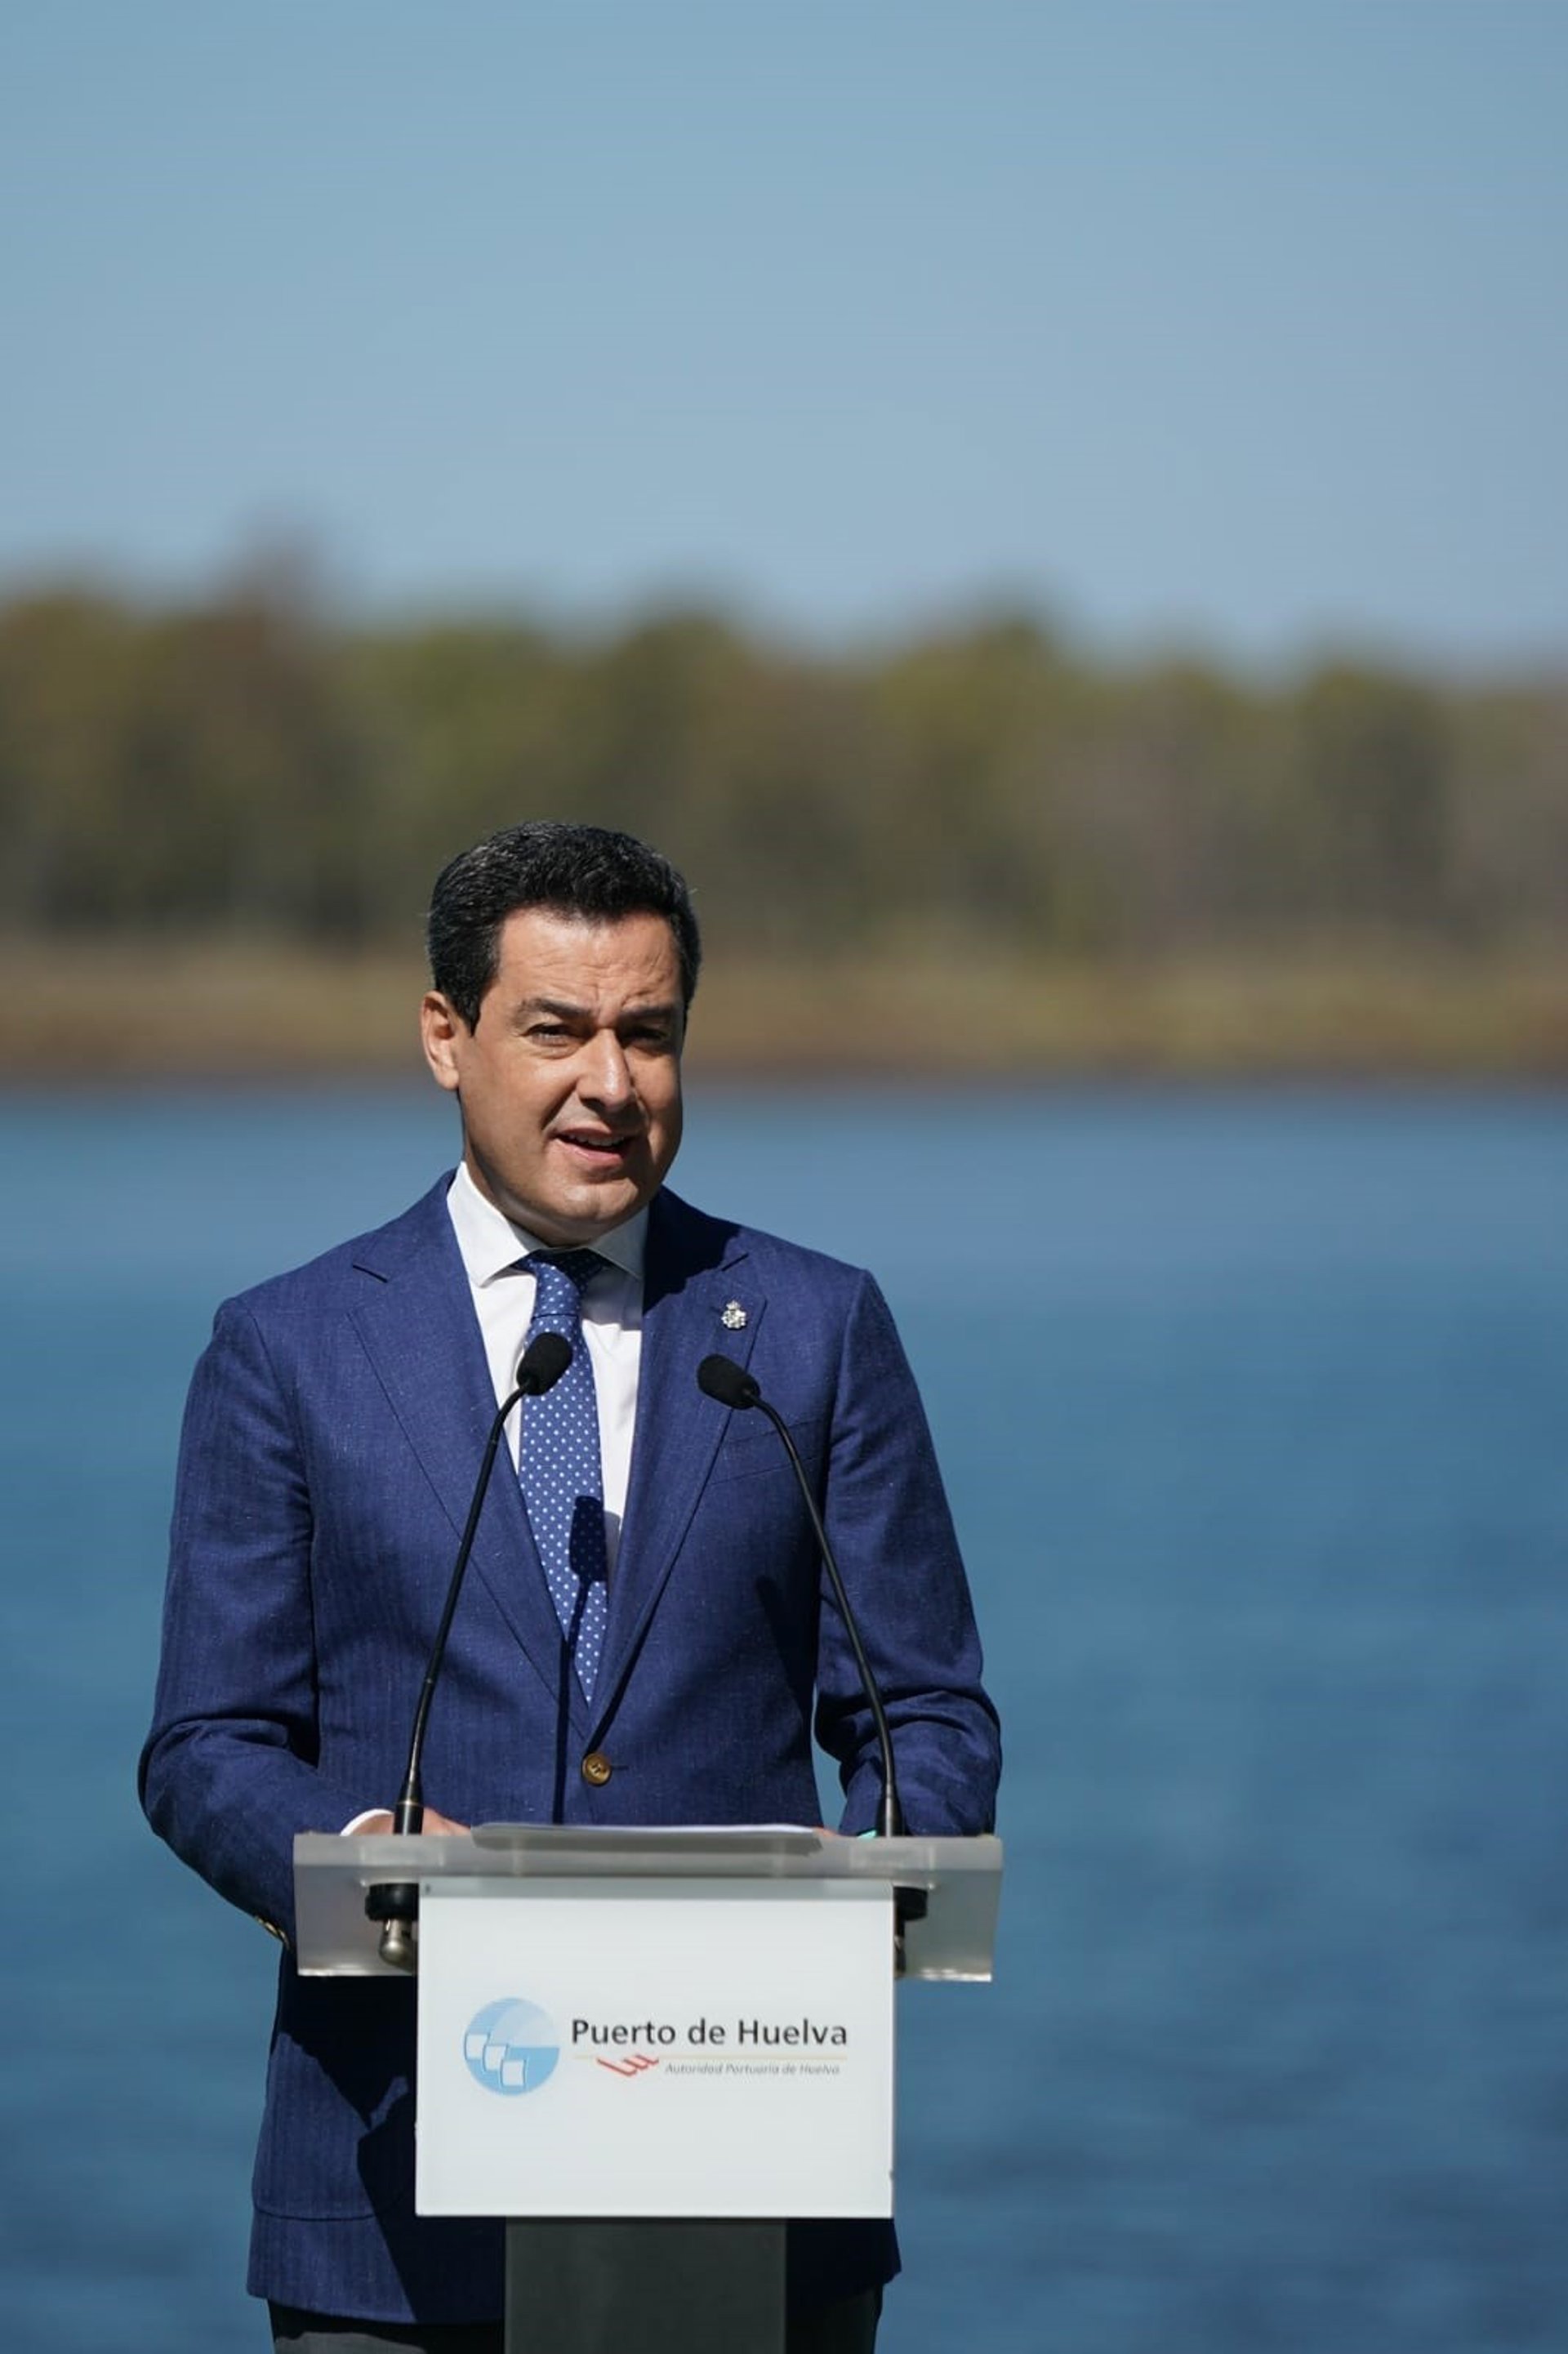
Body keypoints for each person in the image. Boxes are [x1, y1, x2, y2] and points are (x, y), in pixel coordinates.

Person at [140, 821, 1001, 2354]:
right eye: (557, 1030)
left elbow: (923, 1706)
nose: (611, 1081)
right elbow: (206, 1746)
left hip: (753, 2178)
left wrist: (880, 1857)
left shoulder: (810, 1330)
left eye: (648, 1035)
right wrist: (363, 1854)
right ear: (446, 1036)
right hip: (396, 2219)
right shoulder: (288, 1349)